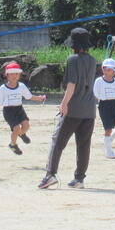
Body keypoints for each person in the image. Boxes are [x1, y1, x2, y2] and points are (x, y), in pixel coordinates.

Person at [38, 27, 97, 189]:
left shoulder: (72, 59)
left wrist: (64, 103)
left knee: (58, 141)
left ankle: (50, 174)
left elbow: (72, 84)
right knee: (83, 145)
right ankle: (79, 179)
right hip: (90, 109)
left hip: (74, 108)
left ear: (74, 45)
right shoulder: (92, 60)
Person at [0, 61, 46, 155]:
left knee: (26, 126)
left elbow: (29, 96)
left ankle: (21, 134)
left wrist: (39, 98)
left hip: (19, 109)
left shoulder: (21, 86)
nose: (15, 76)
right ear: (7, 75)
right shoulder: (3, 88)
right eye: (12, 73)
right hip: (9, 111)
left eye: (17, 73)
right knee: (16, 128)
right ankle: (13, 145)